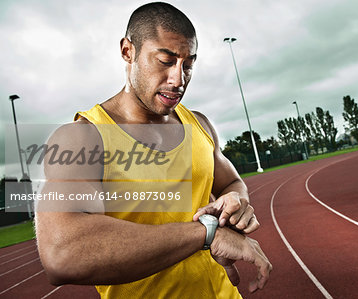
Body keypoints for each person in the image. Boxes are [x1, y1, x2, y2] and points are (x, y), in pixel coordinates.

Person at [35, 2, 272, 299]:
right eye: (165, 60)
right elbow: (62, 254)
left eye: (188, 64)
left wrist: (235, 203)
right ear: (127, 51)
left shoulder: (199, 124)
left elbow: (231, 183)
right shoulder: (82, 138)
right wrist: (208, 233)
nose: (179, 79)